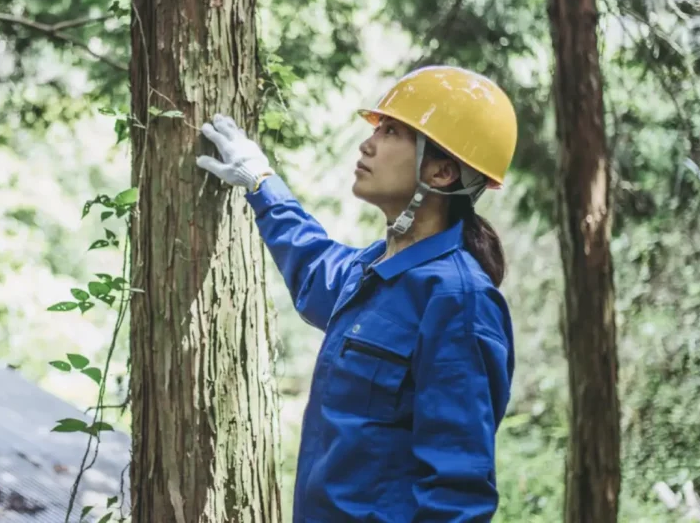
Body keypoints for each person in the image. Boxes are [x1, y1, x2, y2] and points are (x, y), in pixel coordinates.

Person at [197, 65, 517, 522]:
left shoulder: (457, 301)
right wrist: (263, 183)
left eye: (391, 133)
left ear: (442, 171)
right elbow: (312, 264)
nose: (368, 143)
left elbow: (457, 495)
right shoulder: (373, 269)